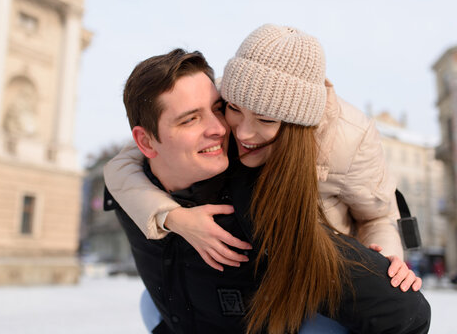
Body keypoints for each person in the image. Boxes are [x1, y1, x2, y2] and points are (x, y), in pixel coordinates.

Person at [105, 36, 430, 333]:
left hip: (325, 260)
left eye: (265, 120)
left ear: (293, 123)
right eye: (230, 109)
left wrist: (387, 261)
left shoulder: (349, 141)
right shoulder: (223, 94)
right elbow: (120, 166)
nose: (236, 133)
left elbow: (378, 215)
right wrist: (171, 217)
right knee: (150, 303)